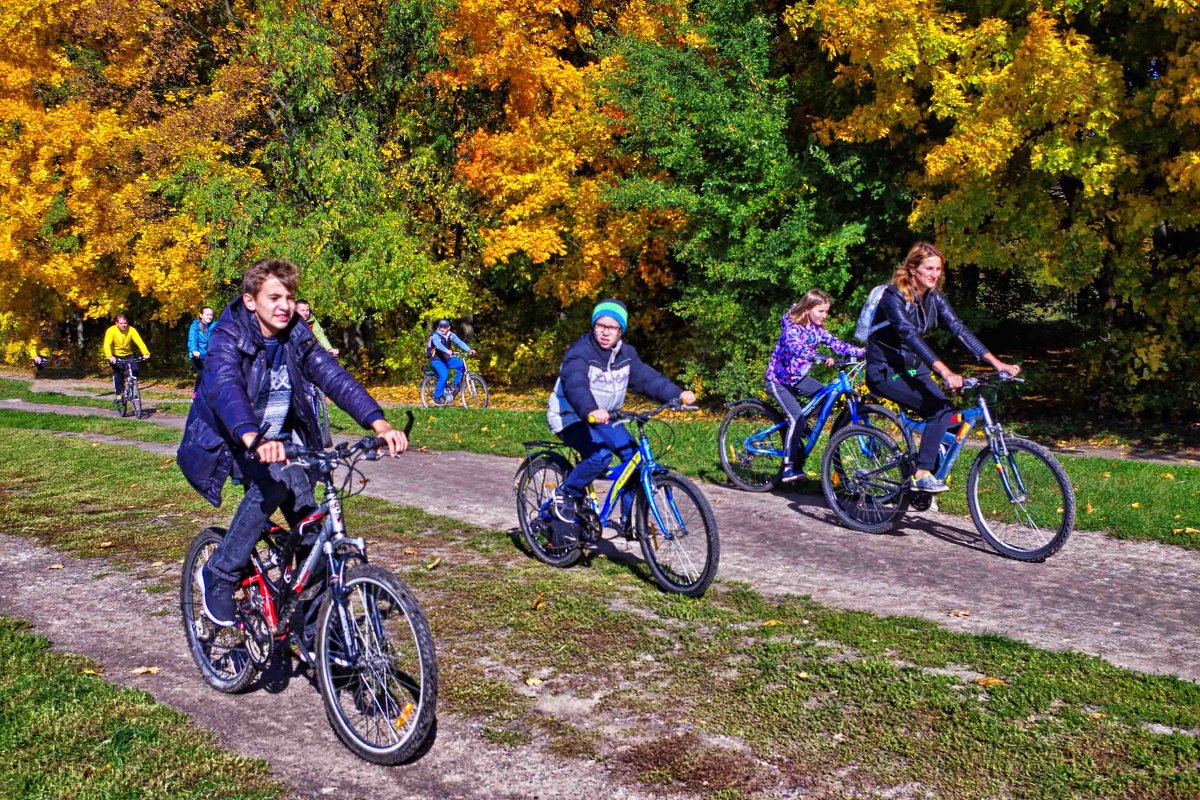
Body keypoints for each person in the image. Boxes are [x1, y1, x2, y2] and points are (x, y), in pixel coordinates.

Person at [176, 258, 408, 628]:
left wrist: (379, 424)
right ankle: (220, 573)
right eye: (274, 297)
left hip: (280, 443)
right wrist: (252, 436)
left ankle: (314, 625)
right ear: (250, 300)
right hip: (230, 440)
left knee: (313, 534)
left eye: (290, 296)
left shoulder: (296, 333)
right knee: (273, 481)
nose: (284, 305)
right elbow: (225, 386)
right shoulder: (227, 334)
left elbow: (333, 376)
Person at [865, 242, 1020, 493]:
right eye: (929, 268)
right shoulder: (892, 296)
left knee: (952, 420)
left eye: (938, 269)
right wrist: (945, 372)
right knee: (939, 410)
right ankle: (921, 474)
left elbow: (959, 329)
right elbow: (909, 335)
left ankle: (929, 480)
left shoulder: (934, 298)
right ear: (913, 268)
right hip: (885, 369)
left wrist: (997, 363)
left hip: (913, 369)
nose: (935, 274)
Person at [547, 299, 696, 523]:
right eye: (601, 326)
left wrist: (677, 395)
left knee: (636, 459)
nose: (606, 333)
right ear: (593, 326)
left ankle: (629, 520)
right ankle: (566, 494)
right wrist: (591, 409)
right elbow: (575, 383)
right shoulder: (580, 352)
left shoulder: (626, 355)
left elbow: (648, 380)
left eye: (613, 327)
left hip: (606, 417)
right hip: (572, 416)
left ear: (621, 331)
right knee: (600, 456)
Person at [766, 289, 865, 482]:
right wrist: (816, 356)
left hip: (799, 378)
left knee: (825, 398)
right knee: (796, 418)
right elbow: (794, 347)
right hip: (778, 380)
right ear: (807, 309)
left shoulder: (817, 329)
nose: (824, 315)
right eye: (820, 311)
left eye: (826, 311)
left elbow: (835, 343)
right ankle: (788, 467)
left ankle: (798, 430)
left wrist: (861, 352)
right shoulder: (792, 326)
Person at [103, 314, 150, 403]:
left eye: (125, 323)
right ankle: (119, 395)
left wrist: (145, 353)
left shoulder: (131, 330)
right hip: (115, 355)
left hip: (128, 354)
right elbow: (107, 344)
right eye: (121, 323)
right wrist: (109, 356)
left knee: (135, 371)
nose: (124, 325)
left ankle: (132, 390)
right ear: (116, 323)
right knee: (119, 373)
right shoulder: (111, 331)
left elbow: (139, 342)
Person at [427, 319, 475, 404]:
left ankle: (456, 385)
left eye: (444, 327)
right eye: (441, 327)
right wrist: (446, 350)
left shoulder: (451, 335)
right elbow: (438, 345)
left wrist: (469, 350)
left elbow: (459, 342)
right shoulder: (436, 336)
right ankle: (437, 396)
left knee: (461, 364)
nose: (442, 329)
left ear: (448, 328)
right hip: (437, 360)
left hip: (446, 359)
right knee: (444, 375)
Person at [187, 306, 215, 371]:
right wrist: (194, 350)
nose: (209, 317)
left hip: (210, 357)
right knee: (204, 376)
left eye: (211, 315)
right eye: (207, 315)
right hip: (198, 357)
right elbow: (192, 340)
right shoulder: (195, 326)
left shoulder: (214, 325)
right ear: (201, 315)